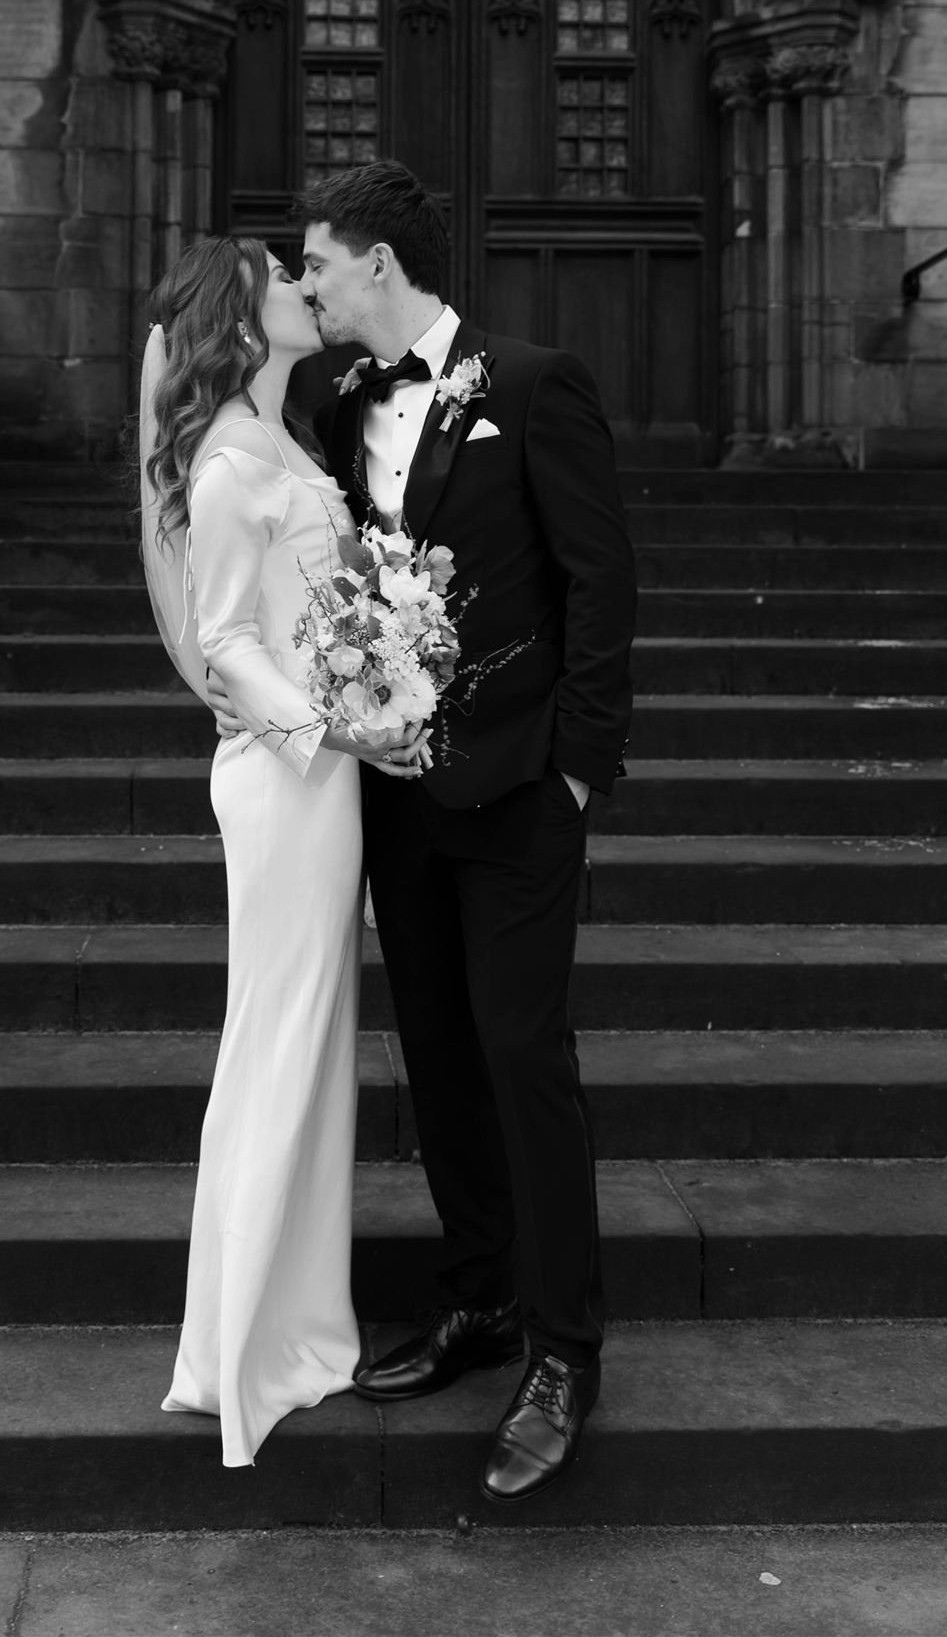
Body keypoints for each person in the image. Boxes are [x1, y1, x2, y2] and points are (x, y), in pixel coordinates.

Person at [294, 160, 638, 1505]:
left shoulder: (533, 383)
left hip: (515, 792)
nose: (307, 281)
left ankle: (564, 1348)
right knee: (435, 1058)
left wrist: (578, 773)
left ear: (379, 263)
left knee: (518, 1056)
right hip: (394, 797)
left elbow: (598, 581)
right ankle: (483, 1297)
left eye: (318, 261)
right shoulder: (331, 406)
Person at [138, 233, 428, 1469]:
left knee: (315, 1049)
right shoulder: (223, 459)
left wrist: (387, 658)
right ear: (242, 320)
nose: (304, 287)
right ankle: (242, 1345)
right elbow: (221, 644)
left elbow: (305, 612)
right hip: (285, 780)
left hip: (322, 776)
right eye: (281, 277)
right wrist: (338, 726)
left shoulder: (287, 439)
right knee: (281, 1039)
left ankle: (303, 1322)